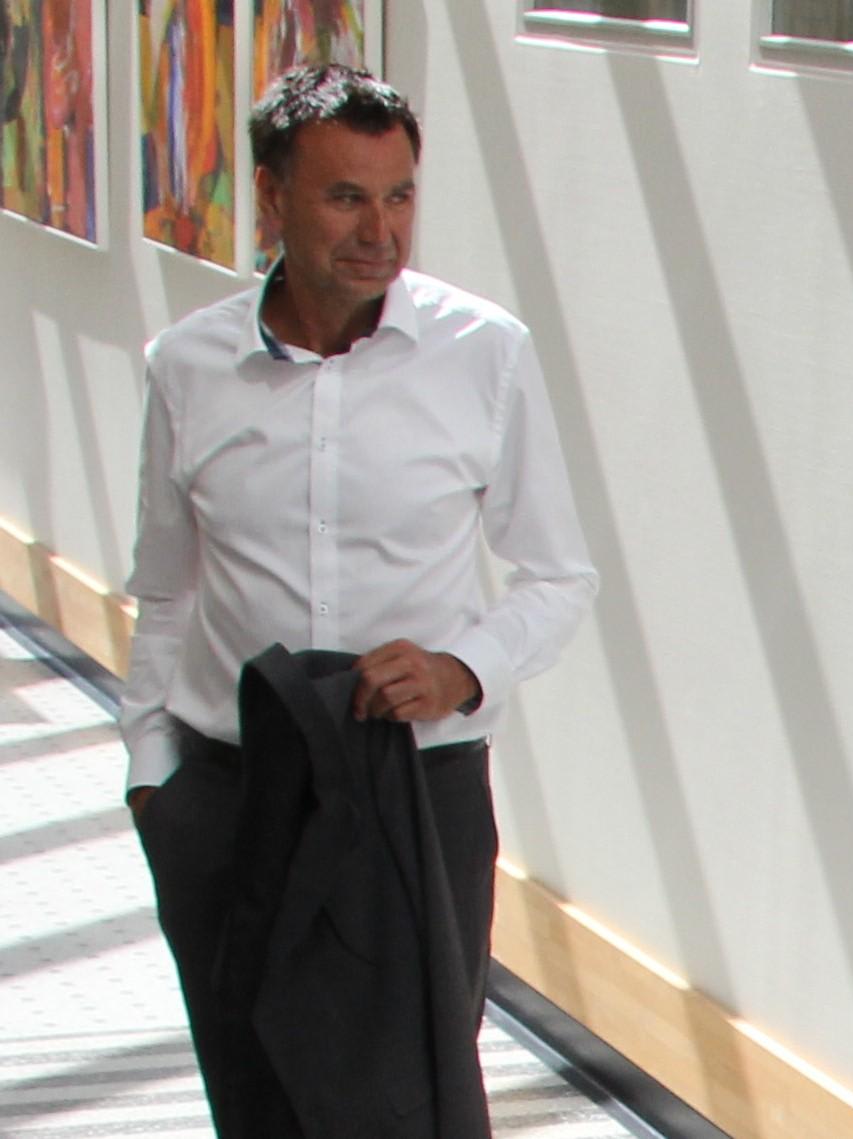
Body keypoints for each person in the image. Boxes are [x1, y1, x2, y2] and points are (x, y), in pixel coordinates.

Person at [119, 64, 598, 1136]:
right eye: (345, 197)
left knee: (414, 1105)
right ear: (271, 193)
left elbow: (560, 576)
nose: (380, 231)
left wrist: (460, 669)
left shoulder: (484, 353)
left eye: (399, 195)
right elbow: (163, 589)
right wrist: (153, 781)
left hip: (414, 796)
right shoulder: (186, 366)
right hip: (232, 793)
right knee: (256, 1100)